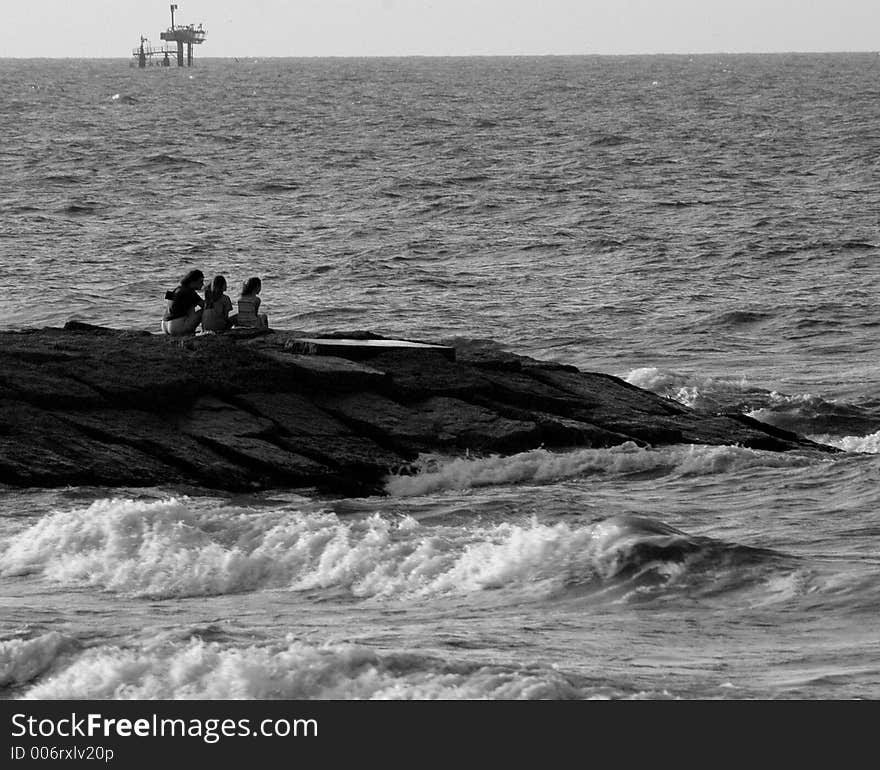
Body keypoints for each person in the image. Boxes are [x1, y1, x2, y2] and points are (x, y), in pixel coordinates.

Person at [161, 269, 205, 336]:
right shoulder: (190, 292)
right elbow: (205, 305)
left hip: (164, 325)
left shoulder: (177, 289)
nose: (203, 284)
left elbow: (169, 304)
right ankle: (206, 330)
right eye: (201, 281)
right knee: (203, 311)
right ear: (193, 282)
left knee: (191, 308)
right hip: (176, 327)